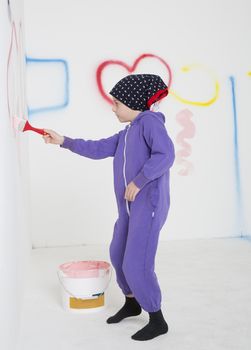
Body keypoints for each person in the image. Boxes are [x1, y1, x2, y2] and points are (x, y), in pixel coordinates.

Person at [43, 74, 175, 341]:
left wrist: (140, 180)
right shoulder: (127, 133)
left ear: (133, 102)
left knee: (137, 263)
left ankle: (157, 318)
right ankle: (131, 302)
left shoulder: (149, 123)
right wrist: (64, 141)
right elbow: (98, 148)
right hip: (127, 209)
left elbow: (166, 154)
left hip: (147, 207)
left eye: (116, 103)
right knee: (118, 254)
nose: (112, 108)